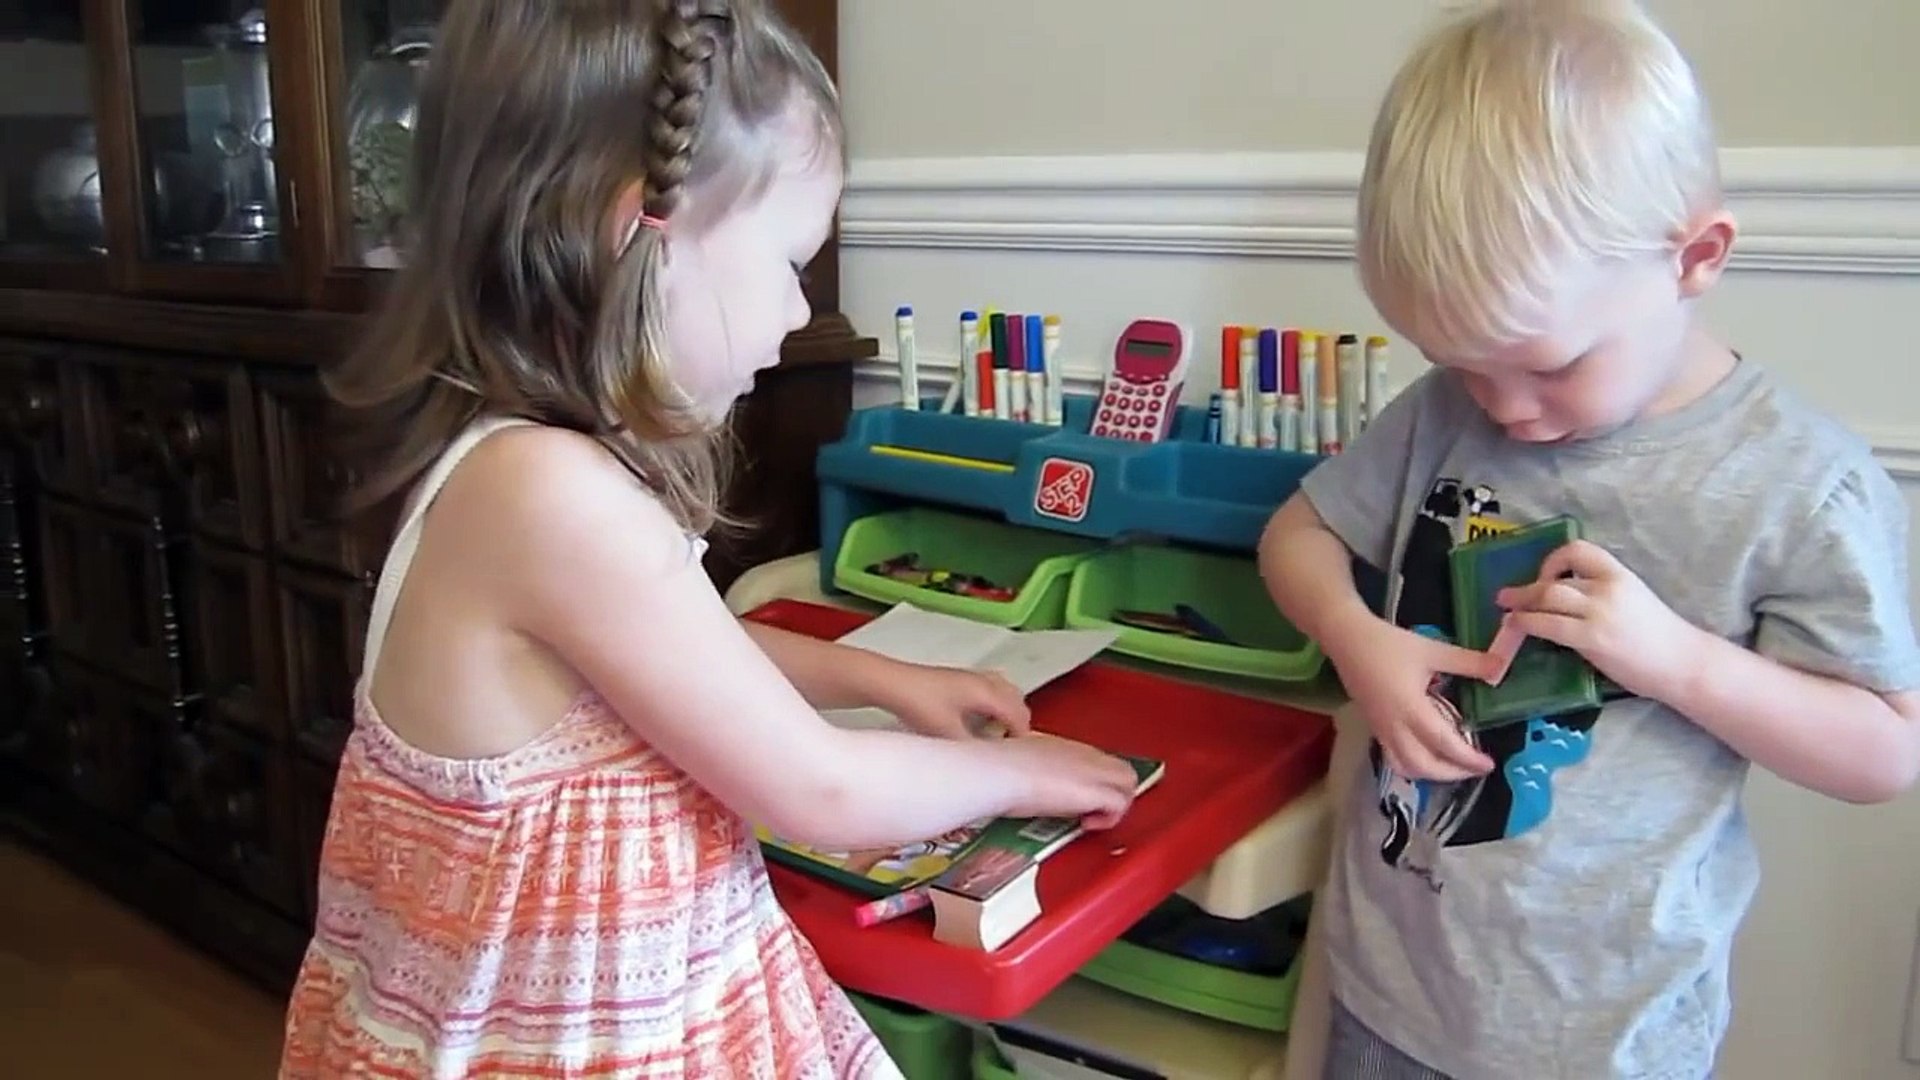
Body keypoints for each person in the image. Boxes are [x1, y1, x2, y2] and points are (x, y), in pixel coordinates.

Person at [276, 2, 1142, 1076]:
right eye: (789, 261)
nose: (794, 314)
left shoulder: (519, 460)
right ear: (640, 226)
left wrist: (875, 674)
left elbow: (665, 659)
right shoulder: (546, 493)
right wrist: (1029, 778)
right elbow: (818, 792)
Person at [1257, 1, 1920, 1077]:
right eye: (1465, 363)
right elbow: (1298, 534)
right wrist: (1354, 639)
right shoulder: (1445, 411)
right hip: (1389, 987)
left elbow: (1885, 752)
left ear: (1694, 256)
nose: (1505, 409)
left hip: (1605, 1038)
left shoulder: (1804, 485)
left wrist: (1678, 660)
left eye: (1551, 365)